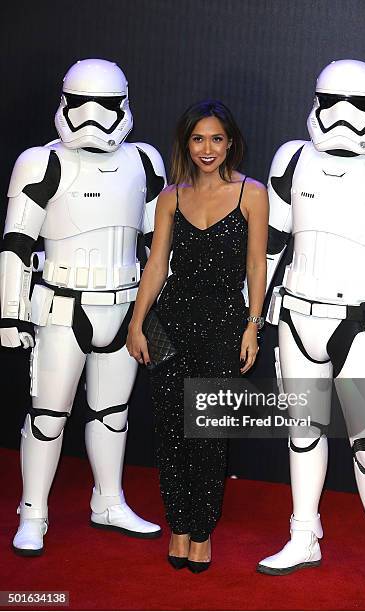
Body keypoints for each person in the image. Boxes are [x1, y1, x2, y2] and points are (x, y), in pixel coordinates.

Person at [257, 60, 365, 605]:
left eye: (357, 106)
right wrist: (253, 317)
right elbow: (271, 247)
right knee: (302, 431)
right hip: (297, 316)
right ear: (315, 101)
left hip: (361, 322)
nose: (342, 119)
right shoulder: (293, 159)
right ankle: (303, 534)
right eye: (331, 103)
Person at [0, 58, 166, 555]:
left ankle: (109, 500)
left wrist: (158, 311)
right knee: (49, 414)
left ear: (124, 107)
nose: (92, 117)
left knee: (113, 412)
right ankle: (33, 511)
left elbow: (159, 245)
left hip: (124, 305)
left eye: (106, 106)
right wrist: (11, 312)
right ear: (65, 104)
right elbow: (15, 242)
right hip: (61, 304)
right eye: (81, 105)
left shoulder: (144, 162)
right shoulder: (41, 161)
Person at [127, 99, 268, 572]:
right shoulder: (170, 196)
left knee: (207, 433)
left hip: (224, 326)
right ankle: (179, 527)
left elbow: (255, 265)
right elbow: (156, 265)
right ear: (186, 142)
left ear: (230, 144)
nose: (207, 149)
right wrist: (136, 322)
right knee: (170, 431)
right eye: (198, 139)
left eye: (216, 139)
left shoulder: (252, 193)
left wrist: (253, 324)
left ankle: (203, 529)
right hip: (168, 326)